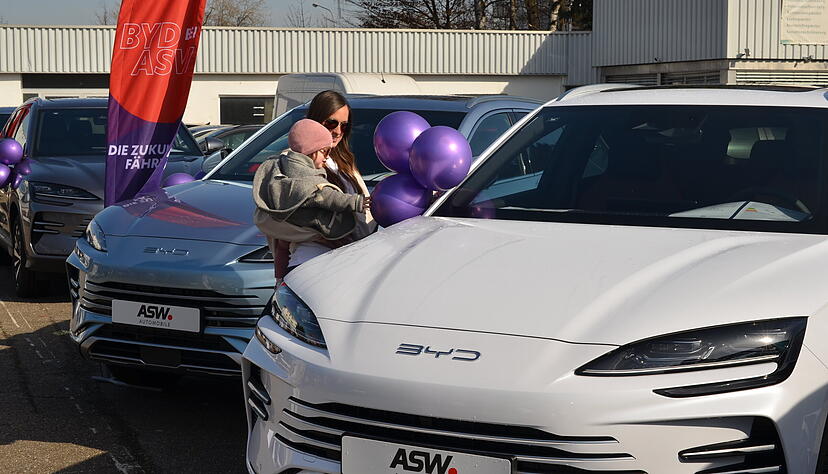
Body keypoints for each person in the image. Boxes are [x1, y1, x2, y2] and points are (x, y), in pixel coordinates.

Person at [255, 90, 377, 284]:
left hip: (350, 262)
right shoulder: (296, 161)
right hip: (311, 262)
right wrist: (323, 235)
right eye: (331, 123)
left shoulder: (345, 163)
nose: (337, 131)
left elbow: (365, 217)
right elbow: (270, 217)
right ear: (314, 121)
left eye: (344, 125)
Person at [253, 119, 370, 242]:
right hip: (313, 238)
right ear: (311, 150)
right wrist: (355, 202)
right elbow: (325, 195)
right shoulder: (306, 177)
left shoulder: (282, 164)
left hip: (292, 232)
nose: (327, 157)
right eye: (324, 151)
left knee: (282, 250)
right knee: (343, 239)